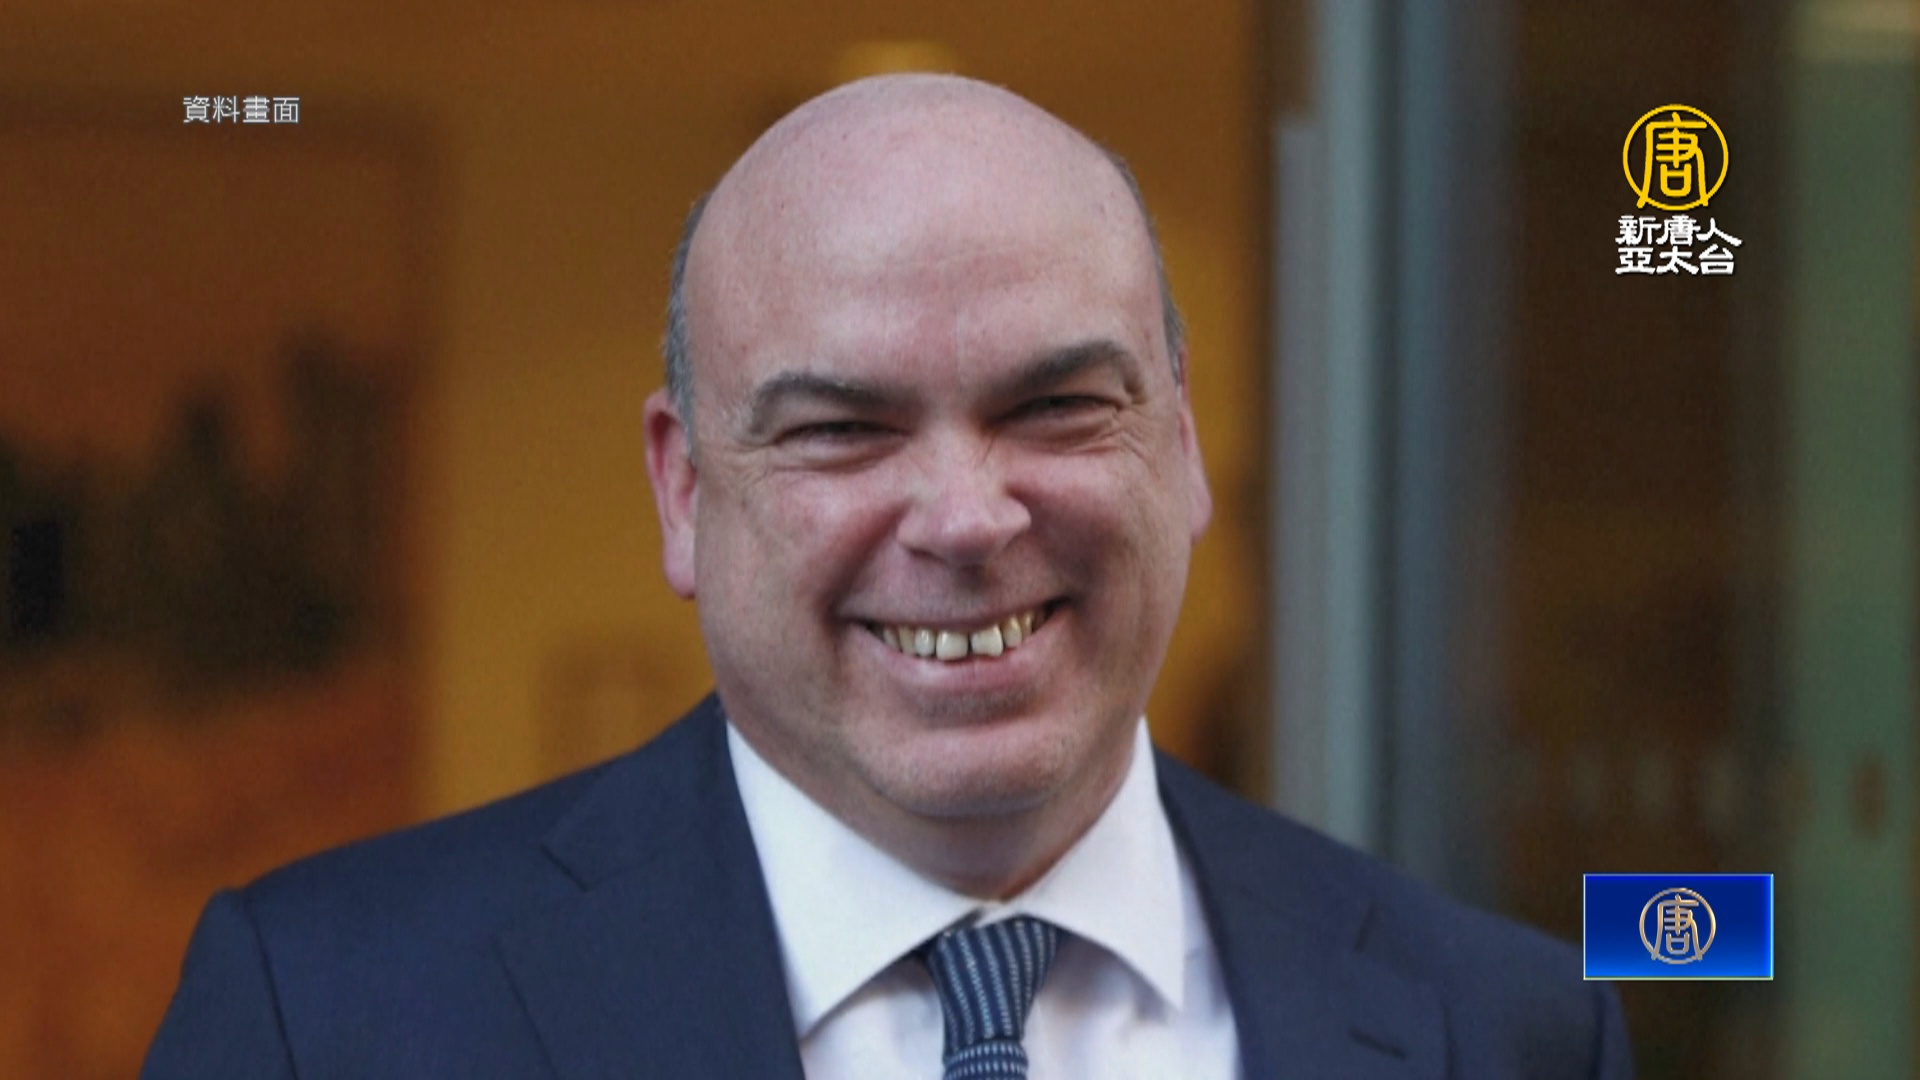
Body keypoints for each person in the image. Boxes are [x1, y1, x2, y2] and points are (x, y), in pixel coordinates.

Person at [144, 74, 1632, 1079]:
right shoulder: (326, 1018)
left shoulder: (1505, 1030)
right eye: (842, 430)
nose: (967, 518)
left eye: (1057, 407)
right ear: (683, 488)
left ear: (1179, 442)